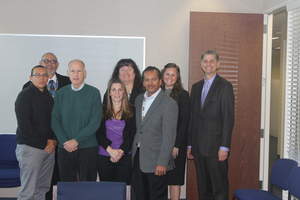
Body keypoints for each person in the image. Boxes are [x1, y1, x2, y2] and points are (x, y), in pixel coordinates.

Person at [23, 52, 71, 200]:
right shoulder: (28, 88)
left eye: (53, 61)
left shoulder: (68, 82)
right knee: (34, 185)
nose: (50, 63)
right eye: (46, 61)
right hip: (37, 144)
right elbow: (26, 121)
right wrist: (46, 142)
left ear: (57, 64)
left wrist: (55, 139)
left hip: (62, 139)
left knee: (56, 180)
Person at [187, 50, 235, 200]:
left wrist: (224, 147)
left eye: (212, 61)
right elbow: (192, 119)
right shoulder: (195, 88)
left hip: (216, 148)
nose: (208, 64)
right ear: (201, 65)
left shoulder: (225, 86)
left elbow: (228, 118)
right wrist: (190, 145)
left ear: (218, 64)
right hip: (198, 148)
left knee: (219, 188)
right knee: (203, 188)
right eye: (205, 61)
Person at [131, 66, 178, 200]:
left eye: (154, 80)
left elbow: (169, 136)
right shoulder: (139, 99)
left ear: (160, 81)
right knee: (140, 195)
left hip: (157, 161)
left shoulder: (169, 103)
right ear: (143, 82)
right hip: (139, 157)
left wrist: (162, 162)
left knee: (156, 196)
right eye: (147, 80)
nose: (150, 83)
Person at [51, 59, 102, 182]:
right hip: (65, 148)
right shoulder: (61, 93)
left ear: (85, 73)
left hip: (87, 148)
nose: (76, 74)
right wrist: (65, 142)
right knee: (67, 187)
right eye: (73, 71)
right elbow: (55, 120)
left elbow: (95, 121)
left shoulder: (94, 92)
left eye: (79, 71)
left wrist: (76, 140)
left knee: (87, 187)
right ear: (68, 73)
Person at [15, 65, 55, 200]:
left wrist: (53, 141)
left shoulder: (48, 96)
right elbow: (25, 127)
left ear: (48, 77)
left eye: (44, 75)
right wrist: (45, 143)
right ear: (30, 78)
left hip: (48, 149)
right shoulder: (24, 96)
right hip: (31, 148)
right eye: (37, 75)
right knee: (28, 191)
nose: (42, 78)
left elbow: (53, 122)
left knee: (42, 189)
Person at [97, 78, 136, 184]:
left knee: (122, 190)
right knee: (106, 191)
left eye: (120, 90)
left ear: (124, 92)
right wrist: (111, 151)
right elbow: (98, 133)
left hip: (124, 155)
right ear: (109, 92)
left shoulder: (132, 110)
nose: (117, 93)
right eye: (113, 90)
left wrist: (120, 153)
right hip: (104, 155)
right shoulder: (101, 110)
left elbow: (132, 135)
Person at [161, 63, 190, 200]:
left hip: (176, 146)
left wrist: (176, 145)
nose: (170, 77)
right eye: (167, 74)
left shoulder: (183, 95)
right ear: (162, 75)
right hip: (158, 145)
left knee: (174, 179)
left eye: (173, 74)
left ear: (177, 77)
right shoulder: (155, 93)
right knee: (159, 180)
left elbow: (184, 122)